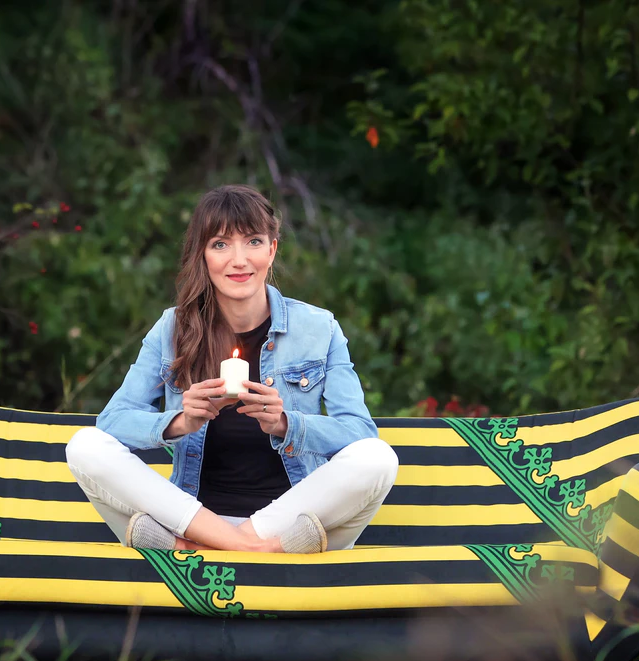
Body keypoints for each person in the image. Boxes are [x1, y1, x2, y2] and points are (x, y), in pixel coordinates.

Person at [65, 184, 398, 553]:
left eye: (253, 241)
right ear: (203, 255)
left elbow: (360, 432)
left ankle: (205, 550)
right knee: (85, 446)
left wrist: (286, 423)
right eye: (221, 244)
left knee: (378, 458)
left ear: (272, 250)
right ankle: (255, 552)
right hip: (199, 519)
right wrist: (182, 421)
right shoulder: (172, 328)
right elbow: (113, 422)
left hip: (287, 523)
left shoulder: (319, 328)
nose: (239, 260)